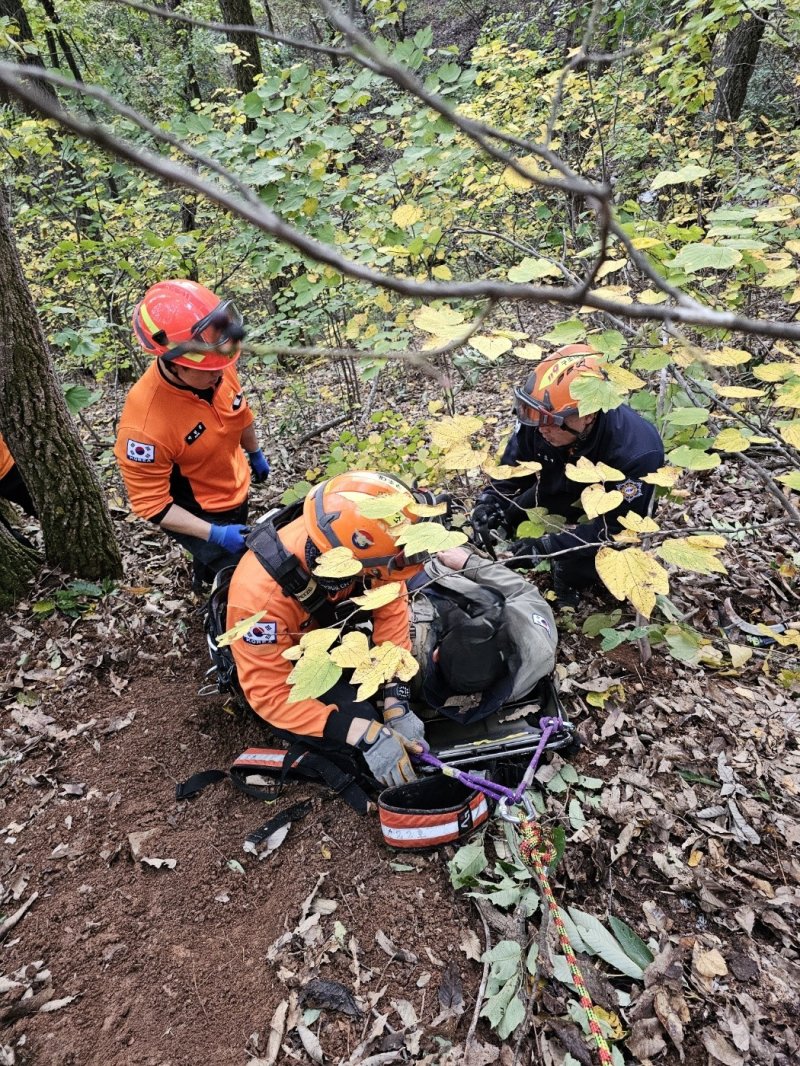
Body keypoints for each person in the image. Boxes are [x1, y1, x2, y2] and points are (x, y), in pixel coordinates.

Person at [226, 471, 431, 790]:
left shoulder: (363, 548)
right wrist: (362, 733)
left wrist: (396, 697)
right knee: (356, 738)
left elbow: (391, 605)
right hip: (285, 661)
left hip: (331, 627)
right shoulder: (256, 602)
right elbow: (270, 693)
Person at [471, 344, 664, 606]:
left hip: (604, 506)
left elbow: (617, 528)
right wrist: (489, 502)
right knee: (509, 514)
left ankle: (571, 577)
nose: (540, 430)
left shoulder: (638, 450)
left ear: (587, 415)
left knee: (584, 558)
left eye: (548, 421)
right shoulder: (541, 421)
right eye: (534, 417)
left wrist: (547, 547)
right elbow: (514, 469)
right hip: (557, 484)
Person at [114, 280, 270, 590]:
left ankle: (203, 575)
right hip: (196, 509)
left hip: (232, 484)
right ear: (175, 364)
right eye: (211, 371)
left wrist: (253, 452)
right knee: (247, 579)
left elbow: (240, 410)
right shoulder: (145, 426)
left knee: (224, 558)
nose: (221, 374)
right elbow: (152, 506)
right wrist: (213, 534)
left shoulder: (215, 362)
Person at [408, 545, 557, 722]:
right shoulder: (537, 645)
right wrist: (469, 563)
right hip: (447, 575)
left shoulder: (407, 665)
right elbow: (524, 591)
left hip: (416, 582)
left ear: (435, 655)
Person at [0, 431, 37, 547]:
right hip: (8, 467)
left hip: (9, 468)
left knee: (38, 507)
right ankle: (34, 561)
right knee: (7, 537)